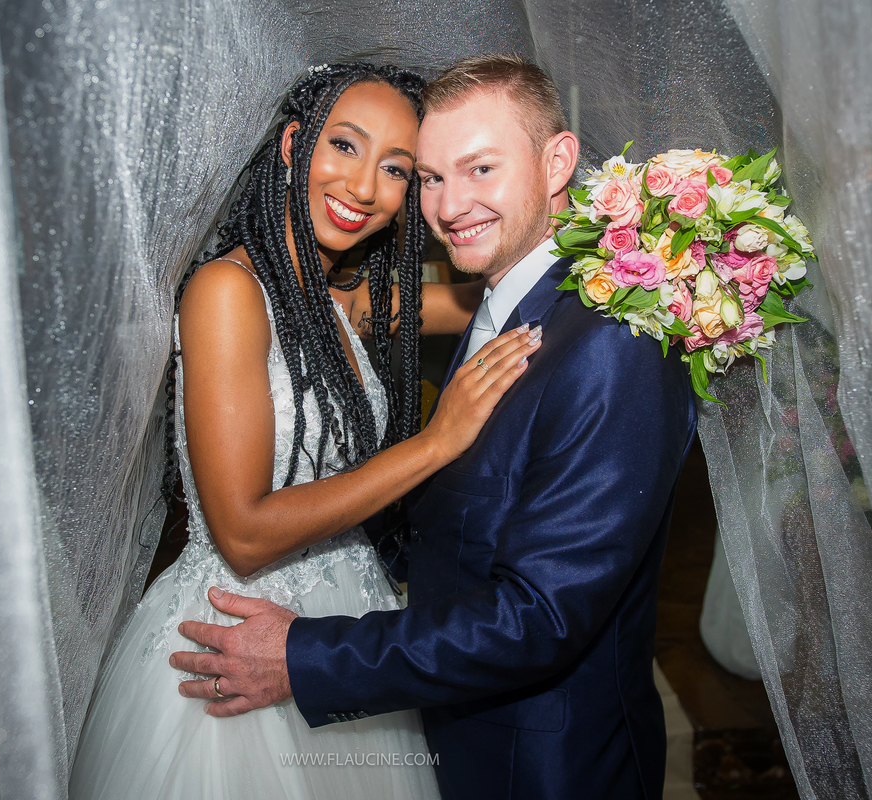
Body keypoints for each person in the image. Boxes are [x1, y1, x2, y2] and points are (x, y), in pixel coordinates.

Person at [171, 55, 698, 800]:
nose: (449, 206)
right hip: (327, 658)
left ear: (558, 163)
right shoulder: (482, 300)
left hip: (534, 760)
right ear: (293, 146)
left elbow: (540, 616)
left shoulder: (606, 339)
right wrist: (435, 445)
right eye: (428, 177)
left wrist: (668, 254)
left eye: (479, 168)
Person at [68, 62, 541, 800]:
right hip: (238, 635)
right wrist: (437, 442)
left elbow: (503, 290)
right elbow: (244, 533)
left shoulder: (341, 302)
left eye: (397, 169)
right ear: (294, 144)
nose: (363, 188)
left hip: (339, 623)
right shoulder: (226, 291)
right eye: (344, 146)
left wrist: (640, 246)